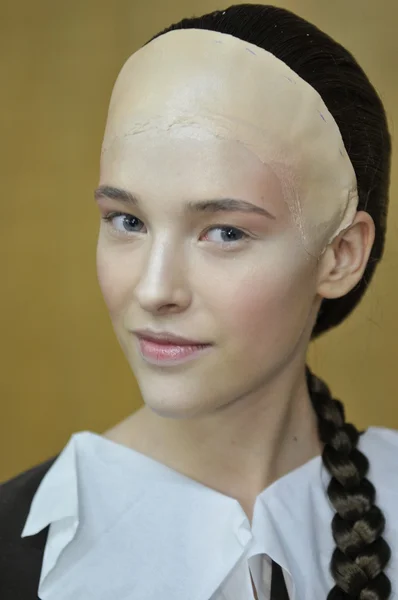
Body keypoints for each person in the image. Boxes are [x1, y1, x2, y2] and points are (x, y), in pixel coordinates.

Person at [0, 4, 395, 599]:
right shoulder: (22, 549)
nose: (155, 290)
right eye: (127, 220)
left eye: (226, 232)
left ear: (340, 254)